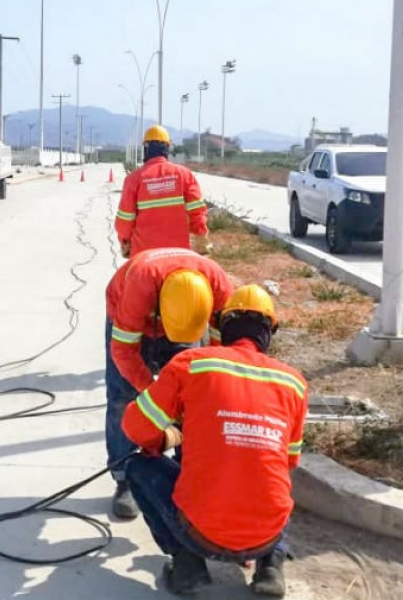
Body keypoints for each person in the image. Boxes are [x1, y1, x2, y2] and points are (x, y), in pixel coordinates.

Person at [120, 284, 308, 597]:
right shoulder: (294, 383)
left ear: (222, 326)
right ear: (269, 331)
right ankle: (271, 566)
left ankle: (187, 565)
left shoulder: (192, 363)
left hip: (200, 535)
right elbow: (289, 461)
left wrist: (165, 438)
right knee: (275, 476)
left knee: (138, 466)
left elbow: (134, 427)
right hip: (266, 535)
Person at [104, 247, 233, 519]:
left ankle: (186, 477)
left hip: (182, 320)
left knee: (192, 400)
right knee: (122, 399)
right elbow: (123, 352)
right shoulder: (140, 285)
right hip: (130, 318)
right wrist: (153, 396)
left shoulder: (219, 286)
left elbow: (223, 346)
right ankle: (124, 478)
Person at [115, 125, 211, 258]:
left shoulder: (133, 179)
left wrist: (125, 241)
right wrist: (201, 237)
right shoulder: (184, 175)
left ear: (146, 149)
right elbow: (197, 211)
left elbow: (125, 219)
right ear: (167, 148)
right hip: (178, 253)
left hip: (144, 255)